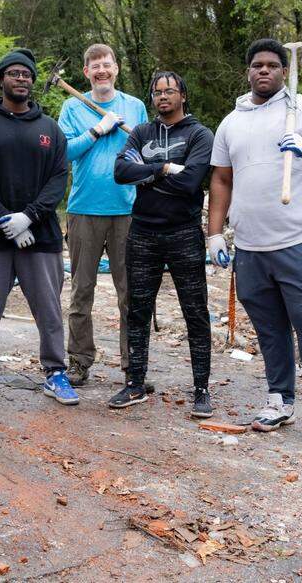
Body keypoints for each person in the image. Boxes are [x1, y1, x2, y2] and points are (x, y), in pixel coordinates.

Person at [206, 38, 302, 447]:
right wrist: (214, 232)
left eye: (273, 65)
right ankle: (279, 400)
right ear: (248, 71)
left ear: (284, 71)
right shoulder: (231, 122)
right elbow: (221, 179)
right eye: (257, 65)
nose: (264, 71)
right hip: (251, 247)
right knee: (269, 330)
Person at [0, 47, 79, 406]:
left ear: (32, 82)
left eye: (27, 75)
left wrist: (29, 217)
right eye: (14, 73)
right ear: (1, 80)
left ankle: (56, 373)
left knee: (49, 309)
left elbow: (58, 179)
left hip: (41, 237)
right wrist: (6, 219)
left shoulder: (49, 129)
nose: (21, 79)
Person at [110, 71, 214, 417]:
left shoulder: (199, 135)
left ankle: (201, 389)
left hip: (184, 233)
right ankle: (135, 382)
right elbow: (121, 172)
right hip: (142, 233)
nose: (163, 97)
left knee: (195, 312)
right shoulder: (141, 132)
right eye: (157, 92)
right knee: (137, 310)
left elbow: (190, 183)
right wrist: (165, 167)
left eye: (169, 91)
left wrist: (148, 171)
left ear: (183, 94)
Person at [57, 44, 148, 387]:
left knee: (132, 293)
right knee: (82, 291)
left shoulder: (135, 106)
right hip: (83, 210)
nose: (101, 71)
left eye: (106, 65)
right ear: (86, 73)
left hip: (128, 210)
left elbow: (146, 152)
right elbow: (64, 152)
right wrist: (97, 130)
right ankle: (79, 362)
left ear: (116, 68)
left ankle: (133, 365)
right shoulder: (72, 106)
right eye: (94, 66)